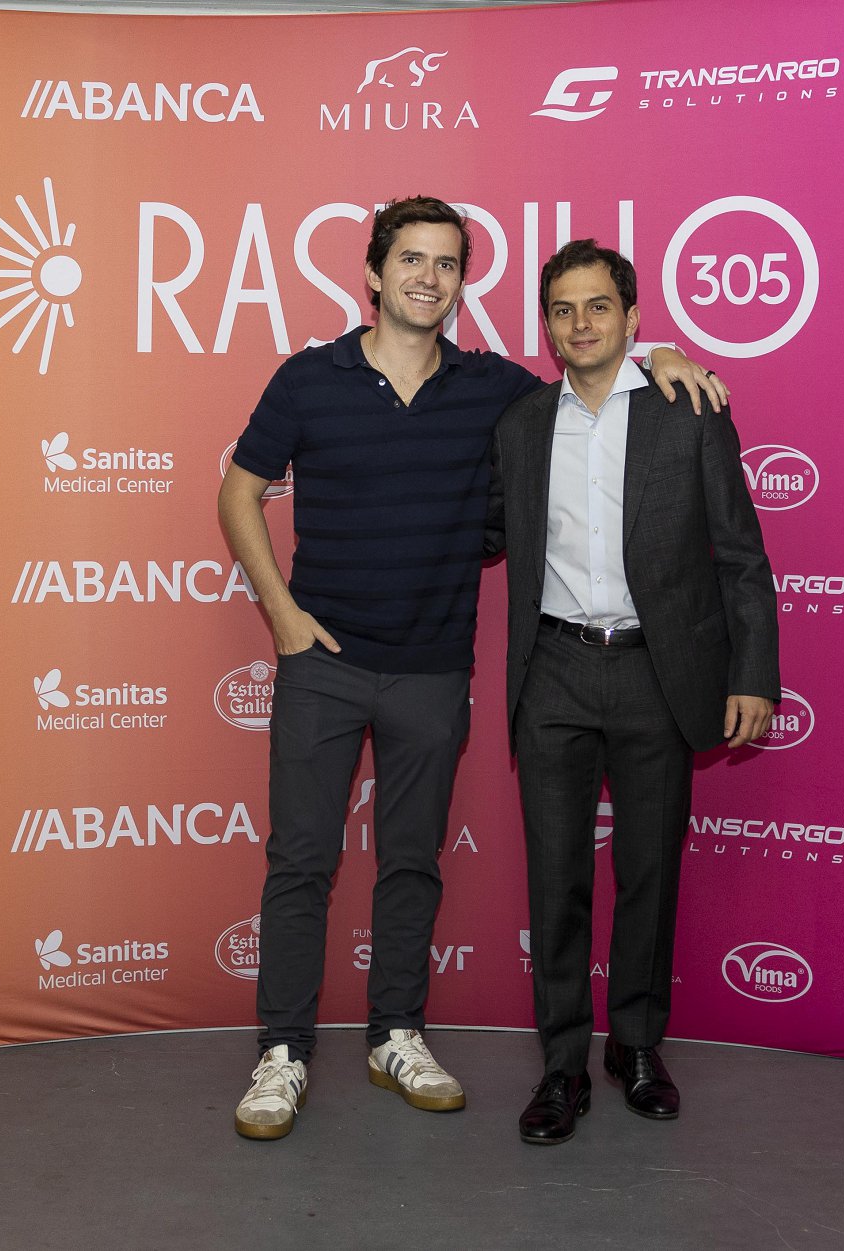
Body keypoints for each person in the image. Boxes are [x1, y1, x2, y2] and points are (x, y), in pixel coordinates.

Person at [218, 199, 722, 1141]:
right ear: (373, 274)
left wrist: (664, 356)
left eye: (446, 263)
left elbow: (593, 375)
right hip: (322, 666)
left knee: (411, 862)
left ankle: (395, 1033)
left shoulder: (494, 389)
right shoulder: (309, 378)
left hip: (433, 670)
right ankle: (282, 1050)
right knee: (301, 862)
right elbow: (239, 490)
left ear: (460, 282)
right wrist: (282, 615)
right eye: (411, 259)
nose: (428, 277)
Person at [486, 239, 780, 1145]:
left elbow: (741, 555)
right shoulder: (520, 424)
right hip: (554, 670)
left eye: (599, 306)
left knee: (651, 870)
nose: (581, 324)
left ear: (632, 317)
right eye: (563, 310)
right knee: (557, 878)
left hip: (659, 670)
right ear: (548, 328)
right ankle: (563, 1064)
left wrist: (753, 673)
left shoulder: (687, 410)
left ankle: (637, 1046)